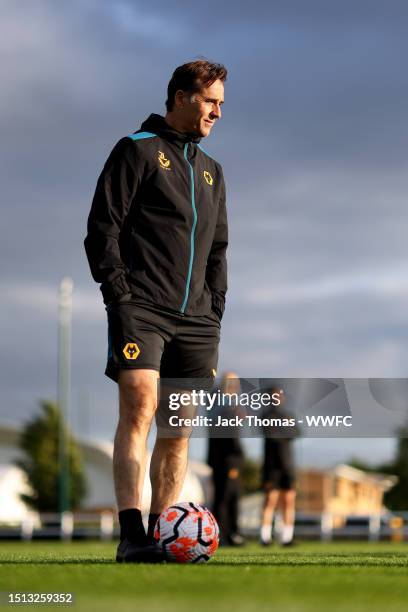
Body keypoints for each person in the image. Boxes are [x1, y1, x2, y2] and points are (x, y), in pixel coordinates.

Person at [84, 60, 228, 562]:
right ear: (182, 97)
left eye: (221, 104)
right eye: (210, 101)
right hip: (141, 308)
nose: (217, 111)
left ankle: (163, 536)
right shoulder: (137, 150)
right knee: (140, 407)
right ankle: (131, 537)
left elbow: (217, 252)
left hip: (198, 321)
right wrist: (120, 295)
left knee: (178, 427)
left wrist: (215, 310)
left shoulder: (212, 172)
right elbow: (102, 229)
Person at [207, 372, 245, 546]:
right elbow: (231, 437)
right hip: (228, 459)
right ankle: (227, 535)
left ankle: (224, 534)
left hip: (218, 459)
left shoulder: (215, 405)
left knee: (222, 498)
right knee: (228, 499)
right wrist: (236, 458)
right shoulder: (226, 408)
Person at [259, 389, 297, 546]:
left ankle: (287, 537)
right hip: (271, 467)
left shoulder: (288, 416)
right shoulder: (265, 417)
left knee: (288, 501)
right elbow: (272, 433)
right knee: (270, 501)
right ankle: (265, 536)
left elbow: (295, 432)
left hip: (287, 466)